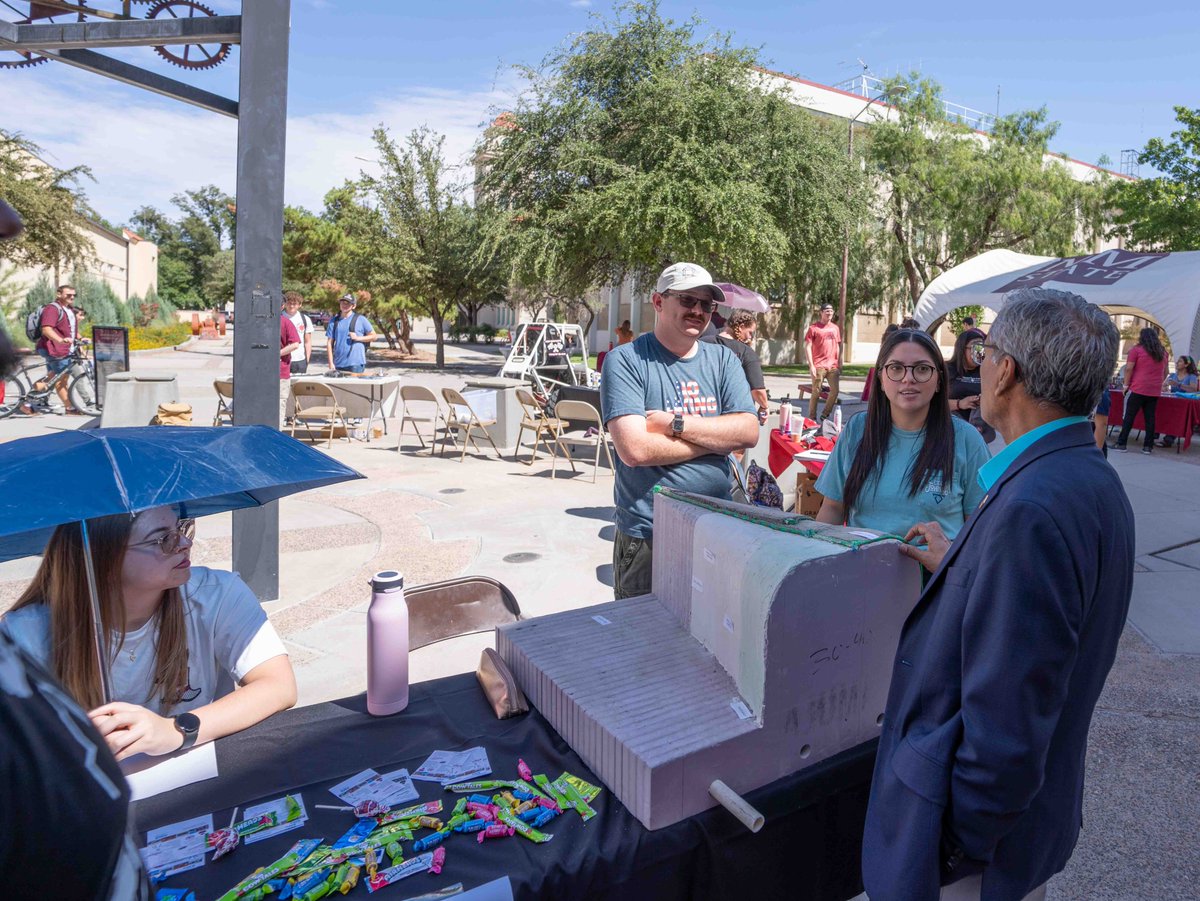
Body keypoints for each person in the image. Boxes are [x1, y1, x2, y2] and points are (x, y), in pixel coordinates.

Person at [867, 288, 1133, 901]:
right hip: (1025, 824)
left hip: (981, 858)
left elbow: (1006, 728)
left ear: (1006, 370)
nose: (979, 366)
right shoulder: (1084, 475)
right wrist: (959, 565)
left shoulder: (1033, 505)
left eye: (986, 351)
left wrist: (957, 849)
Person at [1, 507, 297, 761]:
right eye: (163, 539)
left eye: (182, 527)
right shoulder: (23, 635)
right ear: (104, 557)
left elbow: (278, 685)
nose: (184, 543)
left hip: (199, 778)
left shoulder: (216, 595)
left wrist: (175, 731)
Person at [601, 262, 759, 599]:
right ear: (658, 302)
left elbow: (748, 431)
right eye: (688, 300)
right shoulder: (626, 360)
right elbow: (635, 450)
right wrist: (717, 442)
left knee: (712, 638)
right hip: (649, 537)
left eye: (707, 304)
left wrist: (677, 425)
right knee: (646, 643)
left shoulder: (723, 360)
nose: (698, 311)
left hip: (716, 528)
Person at [814, 328, 989, 541]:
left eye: (922, 369)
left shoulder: (967, 440)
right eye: (896, 368)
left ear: (939, 381)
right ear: (880, 378)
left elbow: (980, 531)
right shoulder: (857, 430)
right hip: (860, 569)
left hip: (935, 573)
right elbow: (832, 508)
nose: (908, 378)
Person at [1110, 326, 1168, 454]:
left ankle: (1122, 443)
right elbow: (1165, 372)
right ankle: (1148, 446)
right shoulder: (1163, 353)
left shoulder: (1136, 350)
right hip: (1154, 390)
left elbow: (1129, 368)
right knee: (1150, 418)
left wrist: (1125, 385)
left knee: (1129, 416)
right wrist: (1157, 383)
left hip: (1138, 388)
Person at [703, 308, 768, 417]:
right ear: (741, 327)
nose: (750, 337)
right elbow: (757, 390)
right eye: (750, 332)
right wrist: (764, 406)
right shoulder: (746, 352)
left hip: (705, 409)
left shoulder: (703, 342)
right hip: (735, 413)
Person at [34, 283, 83, 414]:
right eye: (68, 295)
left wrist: (80, 338)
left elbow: (68, 330)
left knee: (52, 377)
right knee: (62, 380)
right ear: (59, 294)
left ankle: (27, 401)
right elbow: (46, 329)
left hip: (62, 349)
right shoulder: (52, 309)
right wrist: (60, 340)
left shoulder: (69, 310)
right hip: (54, 349)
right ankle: (70, 408)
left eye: (74, 295)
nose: (72, 297)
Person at [804, 303, 841, 421]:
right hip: (819, 365)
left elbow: (838, 345)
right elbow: (808, 347)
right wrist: (811, 366)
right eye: (827, 311)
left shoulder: (835, 328)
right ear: (821, 312)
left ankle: (825, 414)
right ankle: (812, 418)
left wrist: (838, 361)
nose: (829, 313)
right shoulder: (813, 328)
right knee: (816, 392)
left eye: (831, 311)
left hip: (832, 366)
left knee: (835, 391)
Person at [326, 293, 377, 374]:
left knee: (354, 386)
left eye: (348, 303)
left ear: (353, 306)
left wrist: (358, 338)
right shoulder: (334, 321)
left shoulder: (361, 319)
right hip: (338, 363)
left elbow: (374, 336)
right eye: (342, 303)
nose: (344, 305)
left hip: (355, 363)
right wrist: (330, 362)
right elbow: (329, 343)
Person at [1156, 355, 1198, 447]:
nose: (1177, 363)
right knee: (1158, 410)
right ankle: (1154, 434)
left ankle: (1168, 440)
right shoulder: (1172, 375)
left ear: (1186, 365)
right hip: (1171, 401)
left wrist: (1178, 385)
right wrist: (1164, 387)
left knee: (1175, 416)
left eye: (1180, 361)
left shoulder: (1191, 376)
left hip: (1183, 404)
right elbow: (1162, 387)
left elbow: (1193, 389)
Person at [283, 291, 314, 374]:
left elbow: (308, 342)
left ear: (300, 305)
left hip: (300, 360)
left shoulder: (305, 319)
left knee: (299, 386)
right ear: (285, 304)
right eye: (289, 303)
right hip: (282, 360)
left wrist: (307, 359)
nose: (292, 306)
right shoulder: (279, 317)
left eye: (295, 303)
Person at [279, 313, 301, 426]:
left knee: (279, 404)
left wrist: (277, 354)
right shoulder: (257, 321)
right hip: (260, 373)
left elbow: (295, 344)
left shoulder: (285, 322)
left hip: (281, 372)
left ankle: (276, 434)